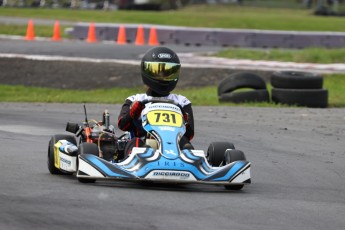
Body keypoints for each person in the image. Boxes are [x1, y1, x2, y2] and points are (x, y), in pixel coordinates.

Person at [117, 46, 194, 155]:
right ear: (146, 71)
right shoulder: (135, 99)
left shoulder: (182, 102)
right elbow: (123, 125)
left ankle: (189, 163)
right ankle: (137, 161)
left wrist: (185, 120)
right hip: (142, 143)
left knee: (185, 143)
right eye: (158, 72)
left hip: (174, 145)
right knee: (137, 142)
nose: (162, 78)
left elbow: (189, 135)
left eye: (167, 73)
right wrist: (134, 112)